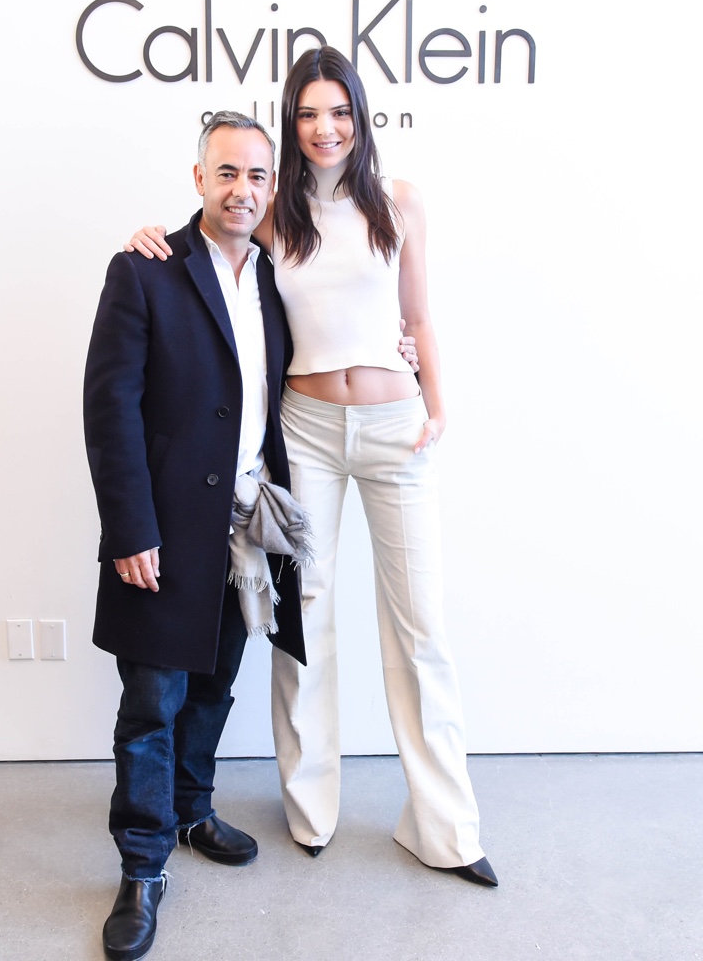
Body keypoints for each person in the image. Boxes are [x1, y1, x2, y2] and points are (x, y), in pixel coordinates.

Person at [125, 47, 497, 887]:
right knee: (305, 618)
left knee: (422, 627)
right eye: (307, 114)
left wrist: (437, 406)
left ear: (360, 118)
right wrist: (145, 236)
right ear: (292, 124)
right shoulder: (271, 213)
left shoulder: (399, 203)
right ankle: (312, 807)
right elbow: (200, 247)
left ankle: (443, 827)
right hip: (308, 430)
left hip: (396, 429)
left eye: (339, 112)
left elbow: (419, 317)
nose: (325, 129)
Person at [84, 111, 312, 961]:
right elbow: (108, 410)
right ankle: (142, 867)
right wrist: (129, 529)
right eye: (227, 173)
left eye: (257, 176)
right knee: (152, 701)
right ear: (198, 179)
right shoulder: (144, 270)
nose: (242, 190)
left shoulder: (277, 280)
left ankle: (189, 808)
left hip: (248, 525)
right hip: (166, 530)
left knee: (215, 680)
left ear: (270, 187)